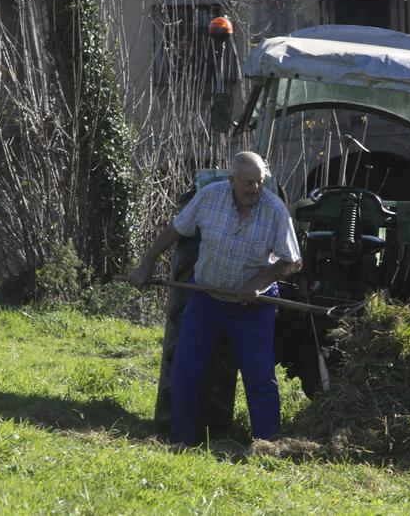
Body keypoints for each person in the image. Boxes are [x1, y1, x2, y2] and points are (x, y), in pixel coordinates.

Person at [129, 151, 301, 444]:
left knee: (260, 378)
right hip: (205, 300)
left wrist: (259, 282)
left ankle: (267, 443)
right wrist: (146, 264)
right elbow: (176, 229)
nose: (254, 189)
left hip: (252, 309)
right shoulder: (209, 197)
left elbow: (293, 261)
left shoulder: (274, 210)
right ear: (232, 180)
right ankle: (179, 438)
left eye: (259, 182)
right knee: (185, 369)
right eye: (248, 183)